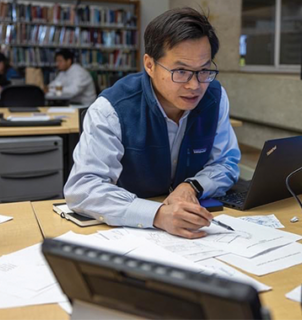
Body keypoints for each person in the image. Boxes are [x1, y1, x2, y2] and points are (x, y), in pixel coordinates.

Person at [64, 8, 240, 239]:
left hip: (194, 225)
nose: (195, 85)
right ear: (149, 65)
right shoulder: (112, 108)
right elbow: (83, 188)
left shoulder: (215, 97)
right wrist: (157, 215)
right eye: (181, 71)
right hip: (129, 231)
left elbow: (227, 162)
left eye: (204, 70)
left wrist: (192, 187)